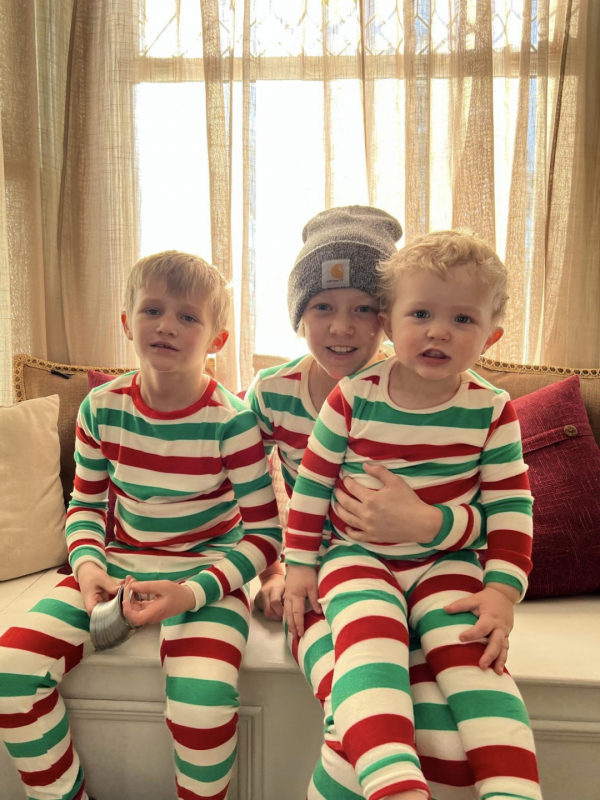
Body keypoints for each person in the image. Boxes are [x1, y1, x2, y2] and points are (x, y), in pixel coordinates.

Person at [0, 251, 281, 800]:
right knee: (10, 673)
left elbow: (264, 536)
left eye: (188, 316)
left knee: (203, 702)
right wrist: (87, 569)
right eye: (153, 309)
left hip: (206, 573)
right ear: (128, 323)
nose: (167, 325)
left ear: (216, 340)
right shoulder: (100, 408)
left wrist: (191, 592)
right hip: (116, 562)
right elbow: (84, 506)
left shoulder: (233, 422)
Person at [284, 229, 541, 800]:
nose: (438, 331)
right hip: (358, 560)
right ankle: (393, 785)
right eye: (420, 313)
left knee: (476, 664)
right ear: (391, 323)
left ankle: (515, 790)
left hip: (447, 563)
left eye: (463, 320)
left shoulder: (492, 410)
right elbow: (311, 487)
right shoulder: (353, 396)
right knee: (370, 653)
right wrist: (300, 565)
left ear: (490, 336)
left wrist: (502, 592)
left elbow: (510, 506)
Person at [249, 209, 491, 799]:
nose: (343, 326)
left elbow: (497, 514)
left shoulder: (428, 392)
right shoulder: (271, 394)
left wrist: (429, 522)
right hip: (321, 577)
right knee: (355, 701)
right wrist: (281, 566)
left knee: (417, 700)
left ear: (386, 319)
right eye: (322, 307)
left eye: (362, 308)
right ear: (299, 315)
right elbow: (254, 501)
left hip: (416, 570)